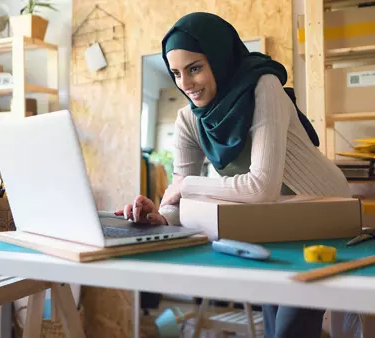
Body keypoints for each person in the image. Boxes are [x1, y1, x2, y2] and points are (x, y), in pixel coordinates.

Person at [115, 12, 353, 338]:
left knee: (290, 330)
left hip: (328, 215)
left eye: (195, 68)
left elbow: (260, 187)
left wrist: (185, 187)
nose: (185, 84)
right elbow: (177, 196)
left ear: (219, 57)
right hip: (271, 223)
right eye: (176, 73)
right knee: (272, 326)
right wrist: (161, 218)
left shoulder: (264, 87)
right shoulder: (189, 120)